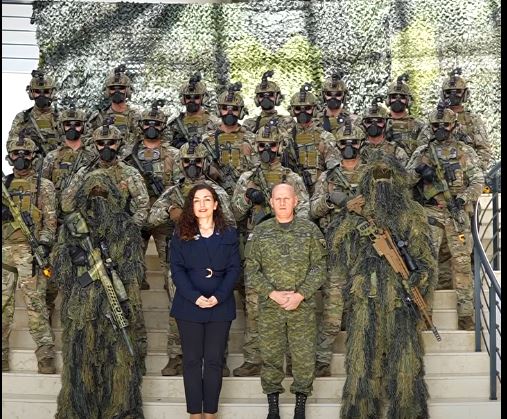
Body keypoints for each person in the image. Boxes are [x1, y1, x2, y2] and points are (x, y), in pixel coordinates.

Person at [328, 153, 435, 419]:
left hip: (401, 300)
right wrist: (351, 218)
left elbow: (425, 258)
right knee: (362, 364)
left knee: (405, 364)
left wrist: (419, 277)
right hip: (365, 299)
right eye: (376, 177)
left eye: (387, 176)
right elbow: (338, 251)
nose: (382, 182)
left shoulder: (412, 213)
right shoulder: (356, 211)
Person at [52, 171, 146, 419]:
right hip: (81, 309)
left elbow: (132, 272)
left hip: (113, 308)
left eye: (103, 193)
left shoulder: (125, 227)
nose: (98, 198)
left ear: (113, 195)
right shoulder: (72, 226)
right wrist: (70, 256)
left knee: (118, 366)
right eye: (92, 193)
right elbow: (60, 272)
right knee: (80, 366)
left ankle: (119, 411)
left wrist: (130, 307)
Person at [147, 141, 235, 376]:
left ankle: (219, 358)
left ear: (205, 163)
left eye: (197, 161)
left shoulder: (216, 192)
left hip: (212, 259)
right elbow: (151, 218)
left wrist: (193, 215)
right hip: (183, 261)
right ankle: (177, 356)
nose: (192, 165)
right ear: (181, 163)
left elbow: (230, 223)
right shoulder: (173, 192)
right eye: (187, 161)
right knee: (180, 307)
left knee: (216, 308)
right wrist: (169, 211)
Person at [231, 121, 309, 378]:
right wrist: (247, 197)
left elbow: (305, 212)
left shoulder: (292, 179)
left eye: (271, 145)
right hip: (258, 248)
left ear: (280, 147)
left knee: (291, 305)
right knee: (254, 306)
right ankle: (253, 359)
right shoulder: (247, 178)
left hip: (288, 250)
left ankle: (293, 361)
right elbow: (234, 214)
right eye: (262, 145)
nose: (267, 150)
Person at [246, 183, 327, 419]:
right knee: (270, 356)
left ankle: (300, 406)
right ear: (271, 202)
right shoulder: (261, 232)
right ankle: (273, 407)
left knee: (303, 357)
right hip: (271, 306)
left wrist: (300, 294)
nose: (282, 202)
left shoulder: (310, 231)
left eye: (286, 198)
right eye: (277, 199)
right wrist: (272, 293)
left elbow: (319, 267)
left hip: (302, 306)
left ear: (295, 201)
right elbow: (251, 269)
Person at [406, 102, 484, 330]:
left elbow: (478, 180)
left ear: (453, 126)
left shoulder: (464, 151)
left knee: (462, 264)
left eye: (445, 125)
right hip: (431, 213)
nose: (440, 129)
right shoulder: (422, 152)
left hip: (456, 212)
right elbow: (406, 180)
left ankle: (466, 314)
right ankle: (425, 314)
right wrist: (420, 170)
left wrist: (463, 199)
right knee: (426, 263)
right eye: (436, 125)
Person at [170, 184, 240, 419]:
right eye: (197, 200)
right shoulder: (180, 234)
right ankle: (194, 413)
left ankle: (210, 412)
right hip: (189, 306)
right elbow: (177, 270)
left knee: (213, 360)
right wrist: (195, 297)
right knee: (191, 361)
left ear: (216, 204)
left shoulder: (229, 234)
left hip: (220, 307)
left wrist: (218, 296)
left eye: (207, 199)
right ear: (191, 206)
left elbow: (234, 269)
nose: (202, 205)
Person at [2, 134, 56, 374]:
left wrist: (43, 245)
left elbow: (50, 221)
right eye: (16, 153)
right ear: (9, 156)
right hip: (4, 252)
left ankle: (45, 355)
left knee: (36, 306)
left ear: (34, 156)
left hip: (30, 252)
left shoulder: (43, 186)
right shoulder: (5, 185)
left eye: (26, 153)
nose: (21, 157)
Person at [42, 101, 96, 320]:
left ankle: (83, 310)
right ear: (61, 127)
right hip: (58, 220)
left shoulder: (92, 156)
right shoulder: (52, 157)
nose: (72, 128)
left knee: (86, 265)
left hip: (84, 220)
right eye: (68, 124)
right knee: (54, 264)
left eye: (77, 124)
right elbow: (43, 189)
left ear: (84, 126)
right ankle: (48, 304)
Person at [121, 99, 179, 291]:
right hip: (137, 214)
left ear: (163, 127)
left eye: (157, 124)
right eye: (147, 123)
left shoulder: (174, 154)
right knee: (132, 267)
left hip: (164, 215)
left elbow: (180, 185)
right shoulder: (129, 153)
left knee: (171, 267)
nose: (151, 127)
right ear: (141, 125)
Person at [284, 83, 339, 196]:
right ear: (293, 111)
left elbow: (333, 168)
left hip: (320, 190)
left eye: (307, 108)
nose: (302, 112)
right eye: (298, 108)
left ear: (314, 109)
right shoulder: (286, 138)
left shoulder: (325, 137)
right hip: (294, 190)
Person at [8, 70, 60, 159]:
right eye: (37, 92)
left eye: (46, 92)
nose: (41, 95)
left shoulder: (62, 118)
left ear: (52, 93)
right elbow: (11, 145)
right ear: (31, 93)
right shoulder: (23, 118)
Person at [86, 64, 141, 147]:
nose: (117, 91)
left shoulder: (136, 117)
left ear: (127, 91)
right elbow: (87, 141)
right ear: (108, 91)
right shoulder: (99, 117)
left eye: (121, 88)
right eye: (113, 88)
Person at [166, 72, 220, 149]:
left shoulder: (213, 122)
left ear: (203, 99)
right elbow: (165, 147)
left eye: (196, 97)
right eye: (188, 97)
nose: (192, 100)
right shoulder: (175, 123)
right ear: (183, 99)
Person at [359, 96, 409, 166]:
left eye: (379, 121)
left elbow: (406, 172)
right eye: (369, 121)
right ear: (363, 124)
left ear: (387, 123)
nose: (374, 125)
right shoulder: (358, 151)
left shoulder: (396, 151)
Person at [384, 73, 425, 157]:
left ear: (408, 101)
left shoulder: (419, 125)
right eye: (394, 97)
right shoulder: (381, 123)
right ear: (388, 100)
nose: (397, 100)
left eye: (402, 97)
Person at [242, 70, 294, 135]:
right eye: (261, 95)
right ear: (257, 99)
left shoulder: (287, 121)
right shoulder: (249, 123)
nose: (266, 99)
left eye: (270, 95)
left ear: (277, 98)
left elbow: (290, 139)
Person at [316, 72, 355, 136]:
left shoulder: (353, 121)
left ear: (343, 97)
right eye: (329, 94)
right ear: (324, 96)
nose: (333, 98)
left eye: (338, 94)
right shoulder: (314, 120)